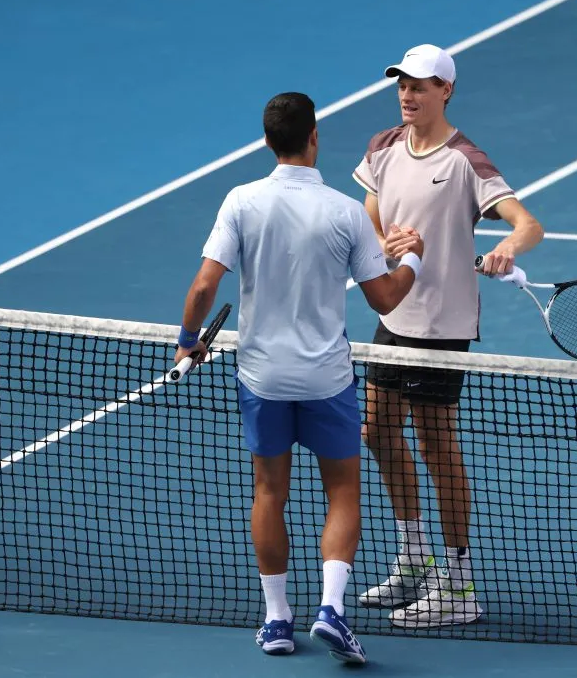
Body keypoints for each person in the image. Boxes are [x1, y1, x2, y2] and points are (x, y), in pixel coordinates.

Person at [175, 92, 424, 663]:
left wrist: (190, 341)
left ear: (268, 141)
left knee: (269, 492)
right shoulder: (344, 211)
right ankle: (331, 609)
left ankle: (277, 620)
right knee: (342, 491)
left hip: (262, 379)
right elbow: (386, 298)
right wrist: (416, 260)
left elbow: (203, 290)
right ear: (315, 138)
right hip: (326, 381)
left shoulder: (240, 201)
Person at [351, 44, 544, 629]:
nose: (408, 94)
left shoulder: (466, 159)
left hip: (443, 326)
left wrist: (508, 247)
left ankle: (459, 588)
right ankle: (414, 559)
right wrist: (382, 243)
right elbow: (370, 212)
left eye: (421, 86)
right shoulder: (384, 145)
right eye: (402, 84)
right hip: (395, 316)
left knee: (438, 448)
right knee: (378, 432)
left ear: (447, 91)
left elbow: (527, 222)